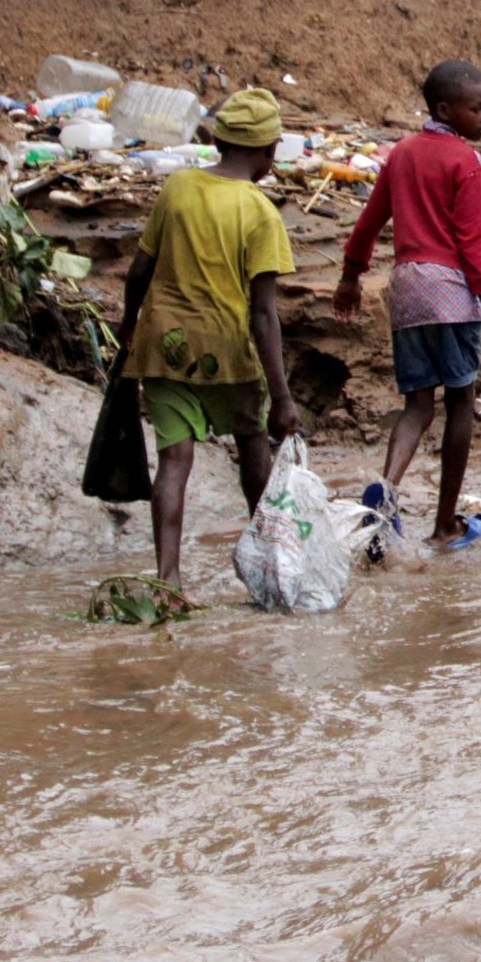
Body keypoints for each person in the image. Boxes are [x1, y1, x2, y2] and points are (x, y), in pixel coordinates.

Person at [114, 87, 303, 591]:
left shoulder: (177, 188)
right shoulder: (260, 212)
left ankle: (168, 580)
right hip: (227, 351)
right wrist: (282, 396)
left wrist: (129, 324)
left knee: (174, 462)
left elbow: (139, 271)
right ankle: (270, 567)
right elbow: (263, 314)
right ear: (269, 150)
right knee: (253, 451)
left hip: (164, 343)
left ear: (219, 141)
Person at [333, 60, 481, 549]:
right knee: (459, 402)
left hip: (407, 288)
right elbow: (474, 248)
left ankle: (385, 495)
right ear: (444, 109)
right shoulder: (467, 163)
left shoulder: (402, 153)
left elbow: (369, 221)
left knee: (416, 405)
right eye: (476, 109)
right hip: (452, 292)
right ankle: (442, 525)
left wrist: (351, 276)